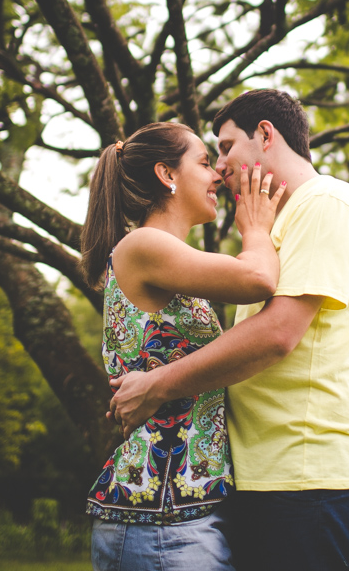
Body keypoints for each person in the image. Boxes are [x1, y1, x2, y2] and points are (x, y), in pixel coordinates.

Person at [109, 90, 349, 571]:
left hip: (311, 478)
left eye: (225, 146)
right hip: (263, 481)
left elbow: (278, 334)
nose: (220, 167)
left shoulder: (327, 201)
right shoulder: (277, 230)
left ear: (265, 134)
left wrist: (157, 382)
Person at [80, 121, 283, 571]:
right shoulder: (143, 244)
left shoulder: (168, 260)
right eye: (205, 162)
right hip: (159, 520)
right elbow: (259, 278)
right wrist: (255, 225)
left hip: (181, 514)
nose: (217, 176)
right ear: (167, 175)